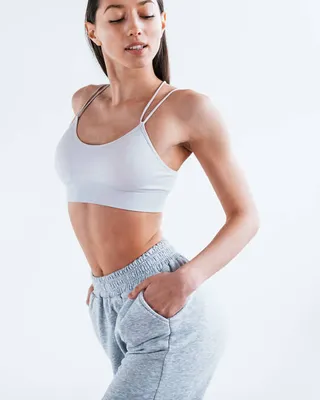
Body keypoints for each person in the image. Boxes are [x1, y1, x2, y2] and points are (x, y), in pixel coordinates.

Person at [53, 0, 260, 399]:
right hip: (108, 302)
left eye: (147, 15)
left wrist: (186, 280)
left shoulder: (185, 108)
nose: (135, 27)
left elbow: (245, 216)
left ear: (162, 24)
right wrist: (106, 286)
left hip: (163, 302)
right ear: (92, 31)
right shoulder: (84, 102)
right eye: (116, 17)